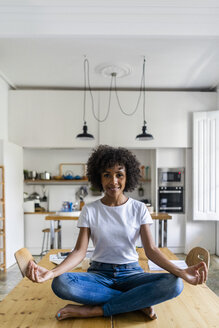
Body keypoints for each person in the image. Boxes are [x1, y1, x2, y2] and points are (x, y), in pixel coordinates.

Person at [26, 145, 208, 321]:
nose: (113, 181)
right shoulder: (90, 210)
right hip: (99, 274)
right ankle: (135, 302)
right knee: (60, 283)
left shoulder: (139, 209)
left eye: (119, 175)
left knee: (174, 284)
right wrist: (52, 273)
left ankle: (96, 311)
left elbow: (151, 250)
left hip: (132, 274)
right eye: (107, 175)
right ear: (99, 178)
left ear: (127, 177)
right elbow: (79, 252)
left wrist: (182, 272)